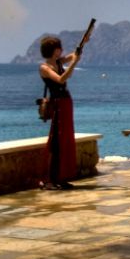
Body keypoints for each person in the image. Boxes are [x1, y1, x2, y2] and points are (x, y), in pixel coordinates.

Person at [38, 35, 83, 191]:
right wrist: (74, 62)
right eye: (59, 48)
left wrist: (81, 46)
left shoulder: (58, 62)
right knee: (56, 141)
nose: (61, 50)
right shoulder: (45, 68)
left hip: (66, 103)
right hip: (57, 105)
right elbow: (61, 79)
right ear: (53, 50)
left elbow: (73, 55)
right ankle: (48, 179)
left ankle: (61, 177)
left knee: (65, 140)